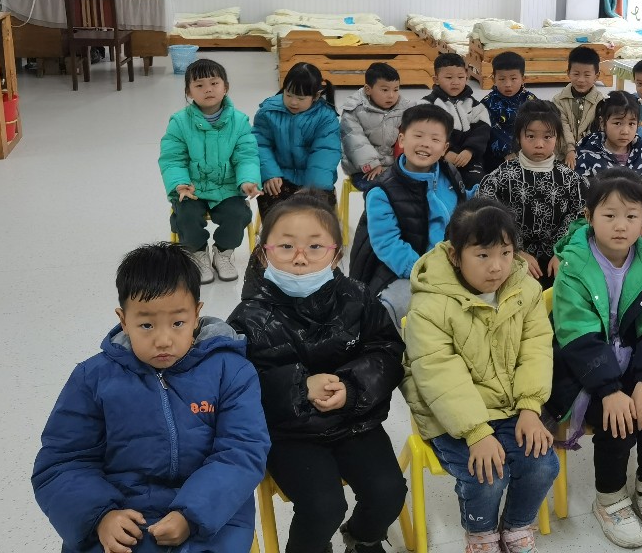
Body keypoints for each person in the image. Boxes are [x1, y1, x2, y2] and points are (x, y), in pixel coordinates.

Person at [33, 243, 270, 553]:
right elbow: (63, 461)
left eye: (178, 323)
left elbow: (242, 451)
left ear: (196, 315)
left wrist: (191, 516)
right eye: (146, 325)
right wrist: (100, 517)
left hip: (212, 515)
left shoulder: (232, 371)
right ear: (123, 320)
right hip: (120, 514)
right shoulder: (92, 378)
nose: (163, 340)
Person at [227, 191, 405, 553]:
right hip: (289, 433)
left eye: (315, 246)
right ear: (263, 253)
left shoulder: (358, 297)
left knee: (389, 491)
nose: (300, 257)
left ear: (336, 254)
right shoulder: (248, 318)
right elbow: (239, 388)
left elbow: (387, 351)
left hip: (354, 420)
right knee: (324, 506)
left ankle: (363, 536)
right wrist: (300, 387)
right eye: (286, 246)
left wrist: (351, 387)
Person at [403, 198, 559, 553]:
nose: (497, 266)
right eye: (483, 255)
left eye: (506, 252)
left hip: (511, 404)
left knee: (543, 465)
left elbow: (536, 348)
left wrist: (530, 408)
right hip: (451, 416)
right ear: (455, 256)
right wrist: (476, 432)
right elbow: (440, 375)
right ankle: (481, 535)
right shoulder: (430, 305)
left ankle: (516, 526)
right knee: (487, 476)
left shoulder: (525, 290)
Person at [548, 171, 642, 549]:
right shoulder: (574, 266)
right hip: (585, 371)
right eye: (609, 215)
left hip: (635, 364)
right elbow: (577, 337)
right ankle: (609, 498)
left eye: (631, 216)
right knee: (616, 420)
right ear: (589, 217)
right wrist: (609, 390)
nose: (621, 225)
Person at [348, 105, 467, 324]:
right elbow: (387, 244)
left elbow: (463, 205)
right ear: (402, 140)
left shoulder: (449, 173)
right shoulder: (382, 191)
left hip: (451, 262)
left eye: (435, 139)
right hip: (402, 269)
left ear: (444, 148)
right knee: (404, 307)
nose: (425, 144)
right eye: (418, 136)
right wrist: (426, 271)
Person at [159, 58, 260, 284]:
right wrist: (179, 183)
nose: (208, 89)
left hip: (227, 188)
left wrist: (247, 180)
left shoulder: (239, 121)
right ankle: (198, 254)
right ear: (189, 92)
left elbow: (246, 155)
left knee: (238, 214)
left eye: (214, 83)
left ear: (226, 87)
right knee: (186, 216)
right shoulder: (179, 122)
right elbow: (172, 158)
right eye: (199, 85)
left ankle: (223, 253)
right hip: (192, 189)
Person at [478, 100, 585, 289]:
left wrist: (562, 252)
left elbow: (580, 217)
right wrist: (515, 252)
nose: (539, 144)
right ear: (519, 137)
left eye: (547, 137)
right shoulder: (501, 177)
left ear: (558, 138)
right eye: (531, 136)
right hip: (509, 257)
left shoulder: (570, 179)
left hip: (560, 259)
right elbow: (486, 216)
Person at [253, 62, 341, 216]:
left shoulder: (326, 117)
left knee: (315, 216)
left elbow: (325, 152)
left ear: (316, 96)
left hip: (314, 180)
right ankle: (273, 232)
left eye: (300, 98)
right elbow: (260, 144)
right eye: (288, 95)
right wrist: (270, 173)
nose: (293, 102)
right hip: (279, 177)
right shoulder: (268, 112)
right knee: (277, 214)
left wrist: (313, 187)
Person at [575, 90, 642, 245]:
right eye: (617, 123)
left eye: (631, 124)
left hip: (635, 225)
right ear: (603, 123)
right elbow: (581, 197)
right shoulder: (588, 155)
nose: (625, 131)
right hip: (598, 228)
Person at [420, 52, 491, 187]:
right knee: (440, 185)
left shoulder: (475, 105)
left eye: (460, 77)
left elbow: (482, 131)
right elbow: (425, 133)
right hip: (438, 157)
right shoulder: (427, 105)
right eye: (448, 77)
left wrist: (469, 150)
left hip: (469, 158)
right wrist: (445, 153)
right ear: (436, 79)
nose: (455, 82)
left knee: (478, 183)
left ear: (467, 77)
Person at [341, 62, 410, 193]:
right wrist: (372, 164)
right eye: (385, 90)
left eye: (396, 89)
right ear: (368, 89)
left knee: (415, 186)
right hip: (364, 168)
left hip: (395, 166)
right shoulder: (354, 110)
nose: (391, 95)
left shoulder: (405, 108)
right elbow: (355, 140)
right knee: (381, 189)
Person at [481, 51, 537, 173]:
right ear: (493, 79)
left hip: (528, 150)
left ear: (523, 79)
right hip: (499, 155)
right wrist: (508, 152)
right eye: (502, 79)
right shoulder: (488, 103)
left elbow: (540, 125)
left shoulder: (531, 100)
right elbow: (492, 130)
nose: (508, 84)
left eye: (513, 79)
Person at [553, 45, 605, 168]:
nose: (581, 80)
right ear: (568, 73)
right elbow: (562, 126)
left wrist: (584, 151)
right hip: (562, 152)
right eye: (576, 74)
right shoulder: (558, 100)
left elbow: (598, 130)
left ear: (596, 76)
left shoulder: (601, 101)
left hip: (591, 152)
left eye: (587, 75)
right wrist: (570, 149)